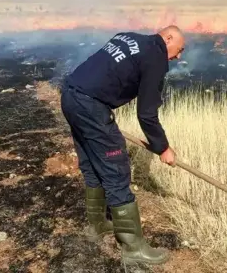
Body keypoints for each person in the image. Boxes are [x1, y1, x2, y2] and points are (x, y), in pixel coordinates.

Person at [59, 25, 185, 265]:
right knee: (116, 169)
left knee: (92, 162)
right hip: (91, 105)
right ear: (168, 38)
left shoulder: (129, 37)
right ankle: (133, 248)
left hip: (70, 94)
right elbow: (147, 114)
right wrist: (163, 148)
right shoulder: (155, 58)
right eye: (179, 50)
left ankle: (98, 225)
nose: (179, 56)